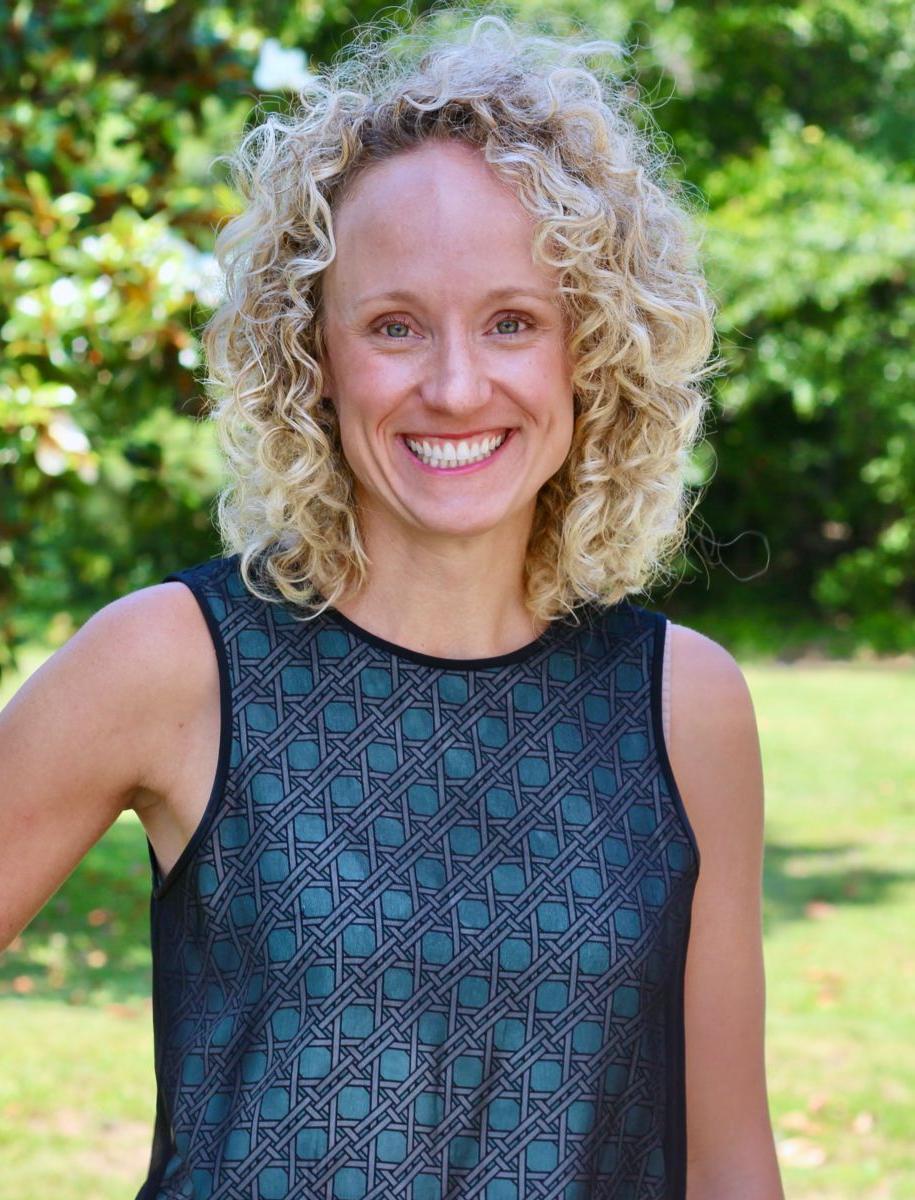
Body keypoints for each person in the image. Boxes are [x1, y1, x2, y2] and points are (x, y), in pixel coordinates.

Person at [0, 8, 785, 1199]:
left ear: (595, 348)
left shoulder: (689, 707)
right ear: (312, 353)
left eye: (514, 321)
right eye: (395, 325)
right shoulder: (174, 663)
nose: (456, 384)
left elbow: (729, 1169)